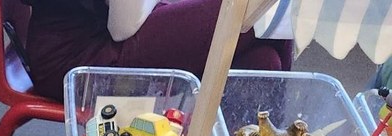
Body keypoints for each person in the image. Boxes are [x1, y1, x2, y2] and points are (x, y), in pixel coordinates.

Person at [23, 1, 294, 103]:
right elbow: (123, 27)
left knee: (263, 60)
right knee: (254, 10)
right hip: (76, 61)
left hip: (112, 27)